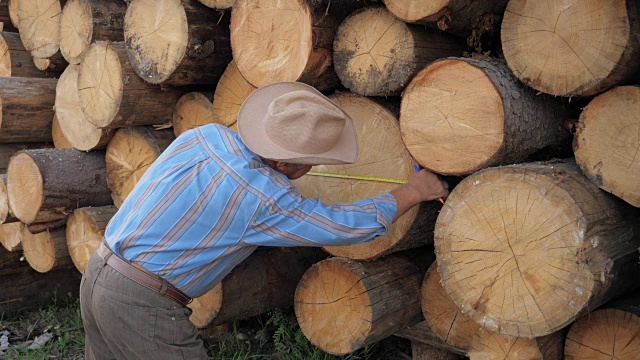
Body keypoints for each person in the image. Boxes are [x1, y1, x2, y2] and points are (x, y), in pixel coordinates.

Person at [79, 82, 449, 359]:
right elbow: (344, 226)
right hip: (141, 303)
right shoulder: (262, 197)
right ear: (284, 164)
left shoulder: (206, 135)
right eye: (310, 163)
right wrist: (413, 191)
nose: (313, 170)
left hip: (98, 270)